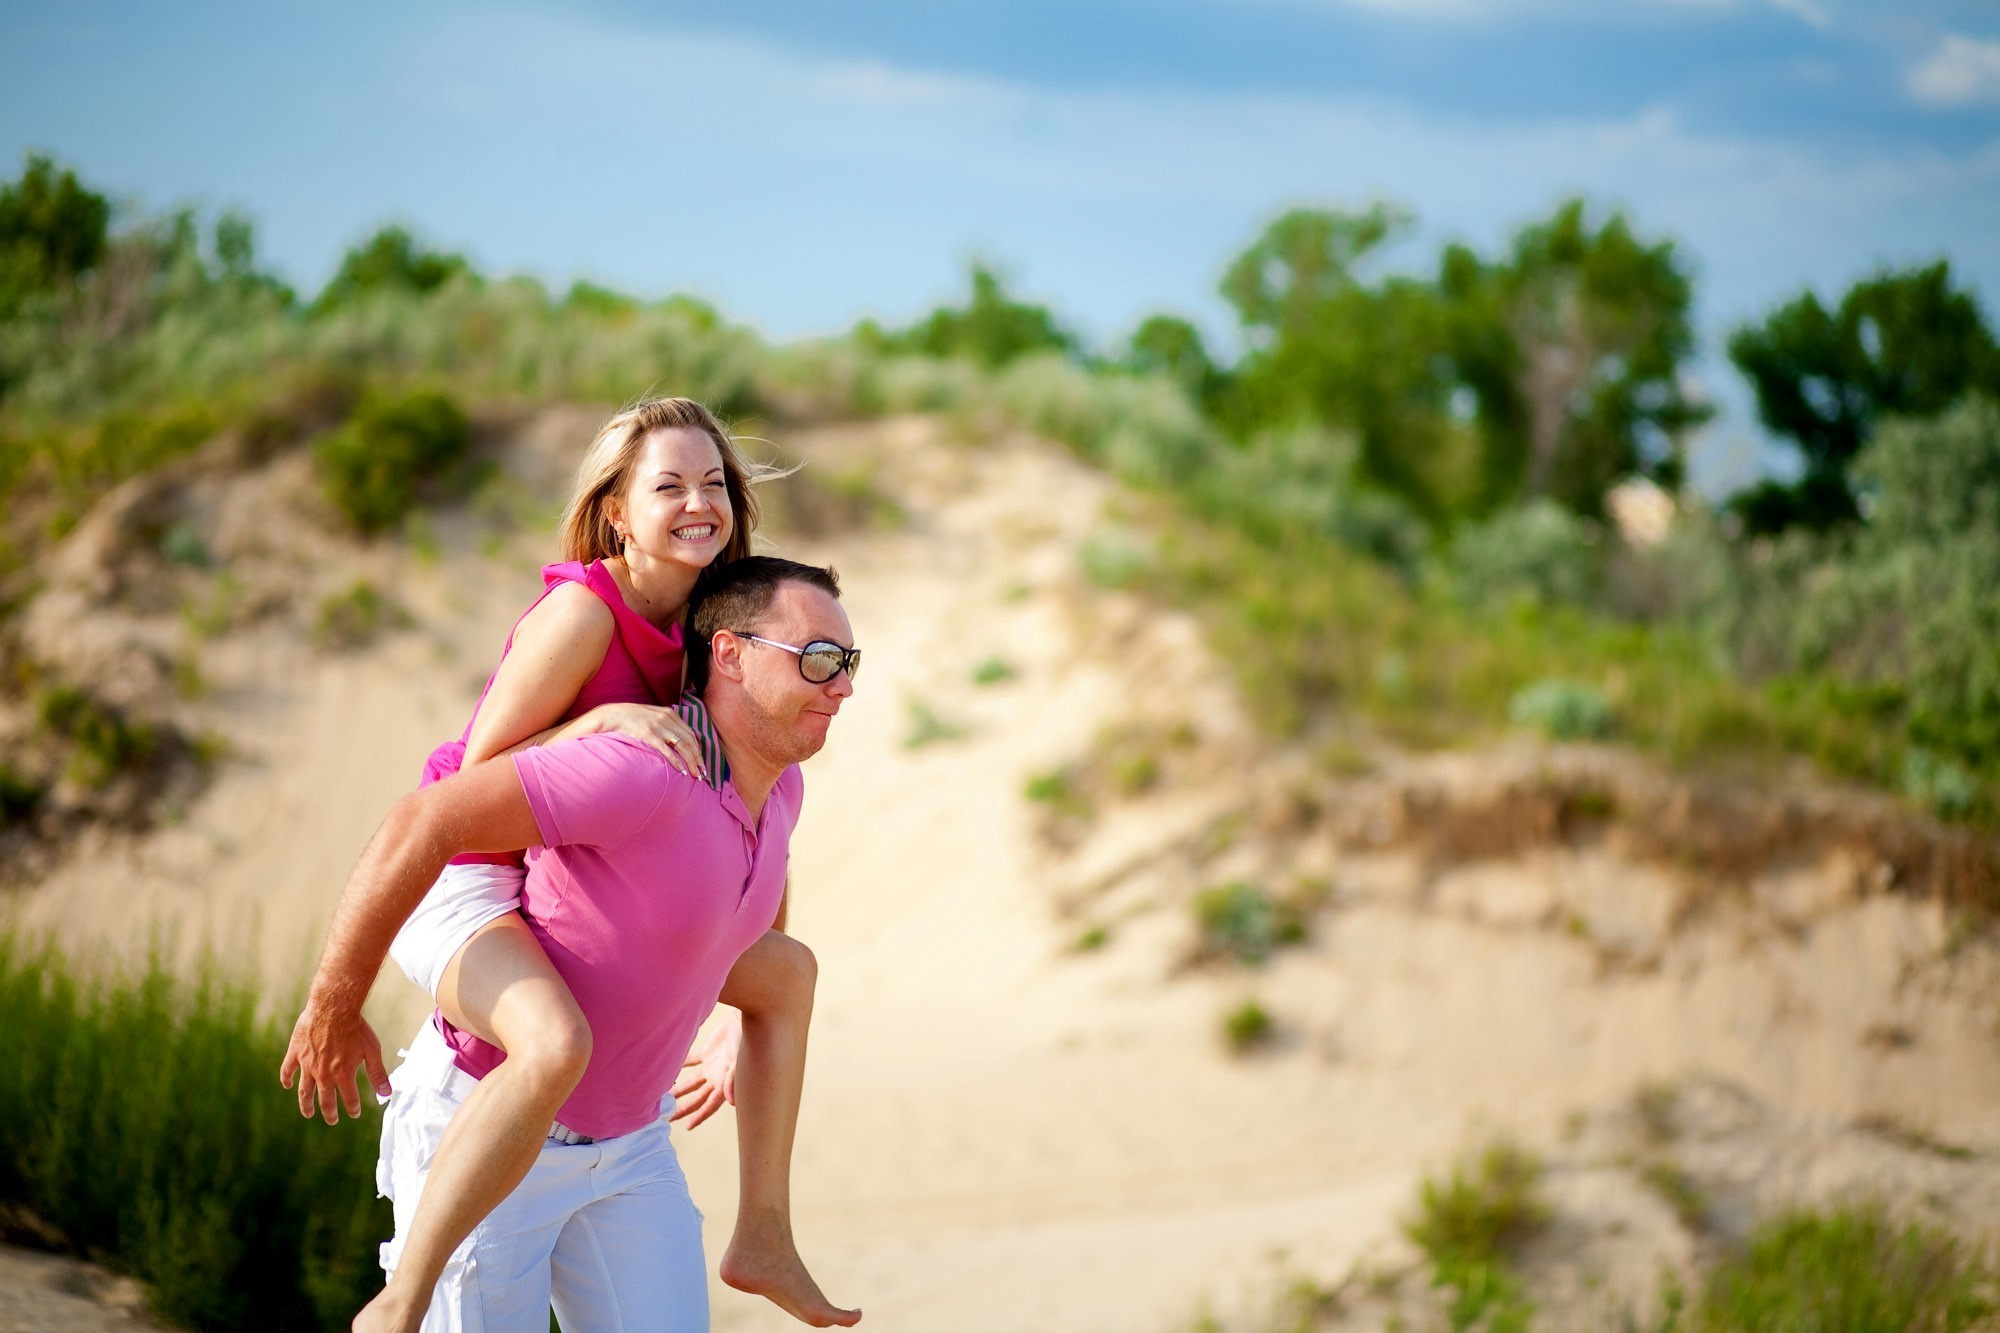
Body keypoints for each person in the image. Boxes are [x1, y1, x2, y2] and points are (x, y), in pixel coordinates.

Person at [281, 399, 854, 1329]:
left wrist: (726, 1007)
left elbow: (748, 833)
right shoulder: (587, 610)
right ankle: (401, 1300)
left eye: (714, 481)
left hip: (562, 865)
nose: (698, 500)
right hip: (467, 864)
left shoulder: (710, 624)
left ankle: (765, 1230)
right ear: (618, 511)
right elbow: (470, 784)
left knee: (784, 971)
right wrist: (590, 723)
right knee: (552, 1041)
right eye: (668, 484)